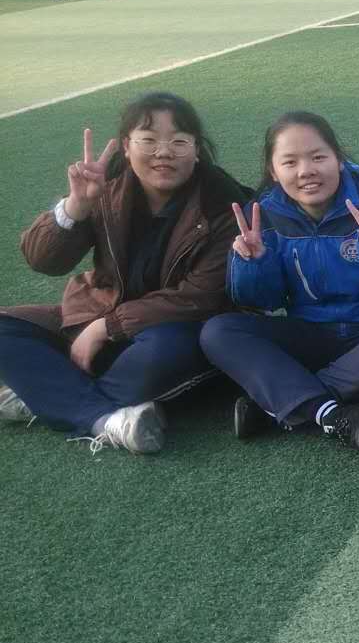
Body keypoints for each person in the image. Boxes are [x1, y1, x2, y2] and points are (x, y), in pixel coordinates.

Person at [0, 93, 250, 452]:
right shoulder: (105, 188)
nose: (163, 152)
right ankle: (104, 417)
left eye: (179, 142)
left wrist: (107, 327)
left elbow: (200, 297)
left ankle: (48, 395)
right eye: (148, 140)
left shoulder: (224, 205)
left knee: (161, 356)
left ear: (197, 151)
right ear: (127, 148)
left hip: (172, 330)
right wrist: (76, 206)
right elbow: (43, 260)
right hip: (96, 312)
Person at [199, 112, 359, 453]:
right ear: (273, 171)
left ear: (338, 159)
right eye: (290, 162)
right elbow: (263, 301)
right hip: (313, 331)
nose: (306, 171)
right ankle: (333, 412)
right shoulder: (263, 215)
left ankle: (283, 403)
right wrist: (254, 263)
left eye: (317, 157)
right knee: (219, 331)